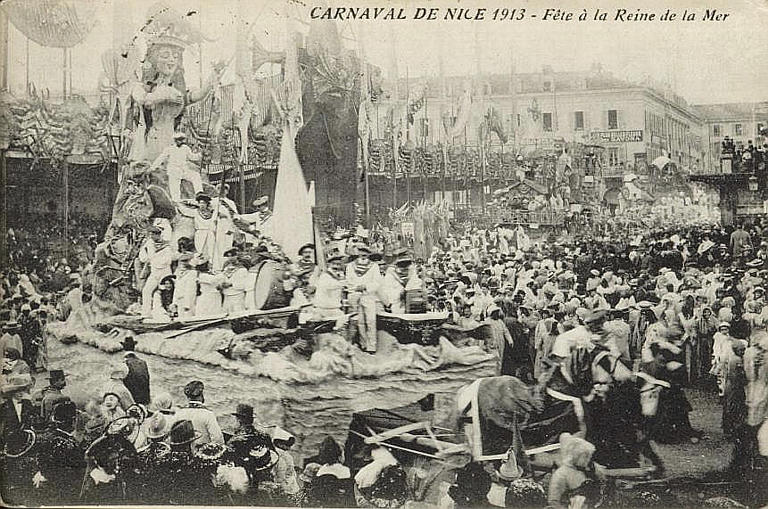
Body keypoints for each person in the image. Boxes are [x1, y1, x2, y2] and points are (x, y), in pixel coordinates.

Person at [32, 401, 86, 505]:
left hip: (45, 489)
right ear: (73, 421)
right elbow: (78, 470)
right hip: (64, 493)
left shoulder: (47, 436)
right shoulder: (69, 443)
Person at [547, 433, 598, 509]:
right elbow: (553, 501)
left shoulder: (583, 472)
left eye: (589, 456)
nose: (588, 460)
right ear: (576, 456)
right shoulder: (561, 474)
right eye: (585, 456)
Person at [150, 131, 203, 202]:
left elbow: (192, 157)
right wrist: (152, 167)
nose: (180, 141)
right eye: (178, 140)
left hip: (184, 170)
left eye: (181, 140)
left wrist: (200, 154)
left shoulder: (185, 148)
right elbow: (161, 158)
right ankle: (176, 201)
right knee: (175, 190)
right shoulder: (169, 149)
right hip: (173, 171)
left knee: (196, 175)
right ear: (175, 140)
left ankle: (199, 193)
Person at [138, 226, 176, 317]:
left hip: (165, 272)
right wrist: (148, 258)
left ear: (158, 235)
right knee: (146, 291)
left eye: (154, 234)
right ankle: (146, 313)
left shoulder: (167, 246)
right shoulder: (149, 243)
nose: (151, 236)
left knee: (166, 292)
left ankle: (171, 312)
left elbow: (168, 260)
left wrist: (154, 259)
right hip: (154, 272)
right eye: (150, 234)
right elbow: (142, 257)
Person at [174, 380, 224, 449]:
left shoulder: (179, 413)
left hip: (183, 454)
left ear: (188, 397)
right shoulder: (208, 414)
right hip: (201, 455)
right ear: (201, 395)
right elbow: (218, 439)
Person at [122, 336, 150, 405]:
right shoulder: (143, 362)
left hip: (132, 400)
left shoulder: (125, 362)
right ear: (134, 348)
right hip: (145, 399)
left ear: (124, 348)